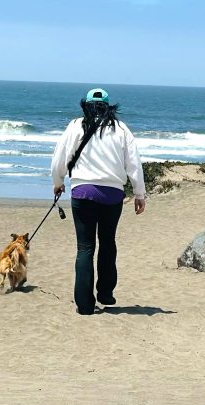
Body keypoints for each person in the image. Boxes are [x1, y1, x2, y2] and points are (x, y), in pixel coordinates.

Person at [49, 87, 146, 316]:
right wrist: (139, 194)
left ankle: (84, 305)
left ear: (86, 105)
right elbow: (134, 163)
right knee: (107, 242)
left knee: (85, 248)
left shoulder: (75, 126)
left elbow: (59, 157)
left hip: (82, 192)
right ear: (108, 106)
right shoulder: (121, 129)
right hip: (112, 195)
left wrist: (58, 181)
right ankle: (105, 293)